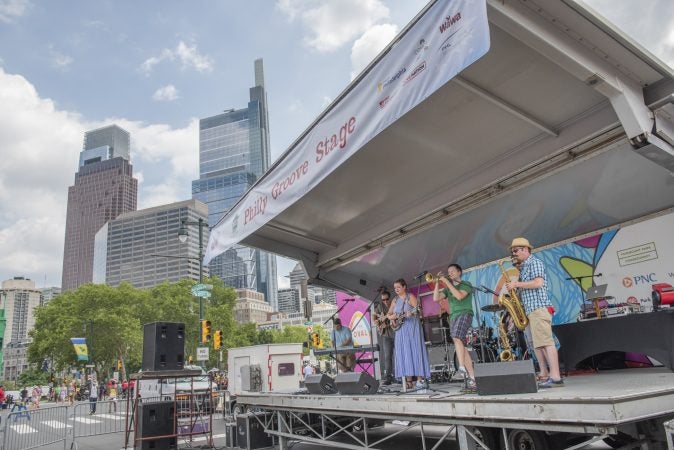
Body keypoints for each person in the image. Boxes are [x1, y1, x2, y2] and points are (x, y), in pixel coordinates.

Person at [505, 237, 564, 388]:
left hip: (538, 308)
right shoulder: (524, 267)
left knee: (546, 342)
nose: (514, 254)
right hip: (530, 310)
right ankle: (544, 373)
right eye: (513, 251)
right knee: (537, 345)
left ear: (525, 249)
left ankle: (556, 376)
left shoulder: (534, 262)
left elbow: (538, 283)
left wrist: (516, 283)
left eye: (516, 250)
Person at [433, 264, 477, 391]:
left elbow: (459, 296)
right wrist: (437, 282)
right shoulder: (447, 290)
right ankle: (473, 378)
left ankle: (461, 367)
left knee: (457, 337)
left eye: (452, 271)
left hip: (465, 314)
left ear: (459, 272)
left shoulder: (466, 284)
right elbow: (435, 298)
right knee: (461, 346)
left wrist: (446, 281)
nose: (450, 273)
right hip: (453, 317)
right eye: (448, 272)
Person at [387, 278, 430, 391]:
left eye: (398, 287)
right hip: (400, 330)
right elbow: (388, 315)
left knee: (415, 351)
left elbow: (418, 310)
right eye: (395, 288)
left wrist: (411, 313)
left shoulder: (410, 297)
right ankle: (408, 381)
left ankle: (420, 379)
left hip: (412, 328)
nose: (396, 289)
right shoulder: (395, 300)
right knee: (404, 353)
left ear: (404, 287)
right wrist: (394, 317)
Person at [372, 288, 395, 385]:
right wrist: (377, 322)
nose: (385, 301)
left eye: (386, 299)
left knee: (398, 355)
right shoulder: (380, 306)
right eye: (383, 300)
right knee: (387, 356)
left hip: (396, 332)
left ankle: (401, 376)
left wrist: (388, 324)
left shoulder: (394, 305)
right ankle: (388, 377)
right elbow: (374, 314)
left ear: (390, 298)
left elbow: (397, 318)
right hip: (386, 334)